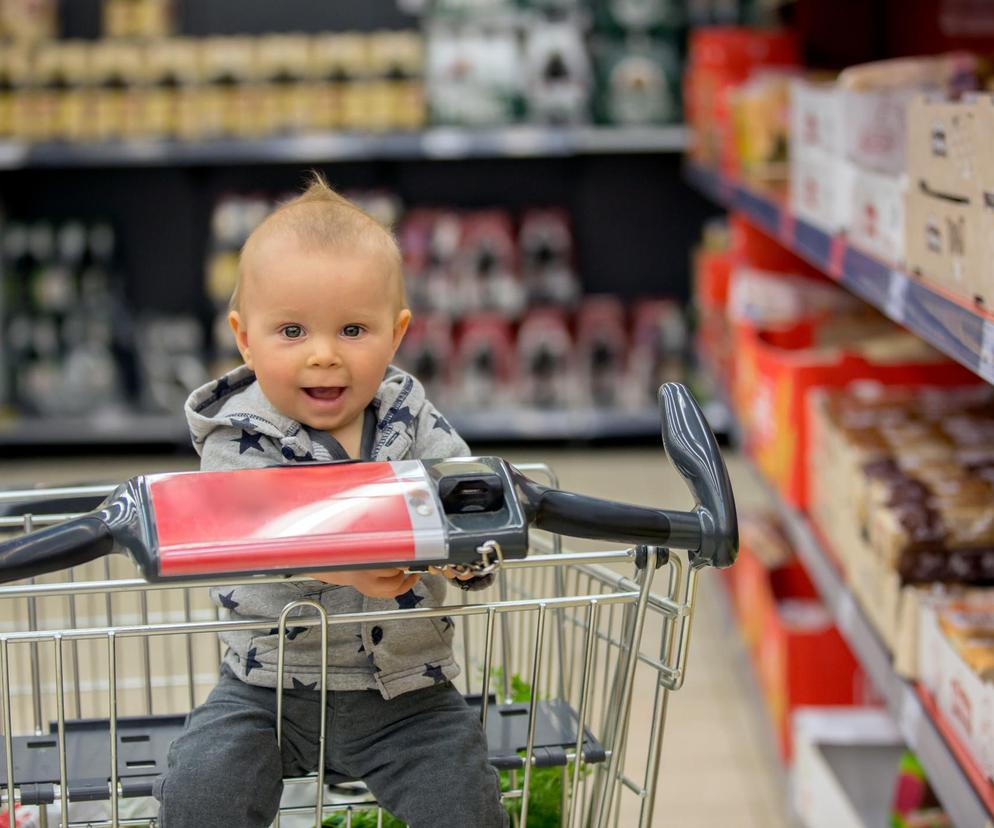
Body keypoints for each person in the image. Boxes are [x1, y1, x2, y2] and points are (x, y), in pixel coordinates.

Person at [153, 174, 508, 827]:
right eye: (291, 331)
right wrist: (341, 565)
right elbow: (240, 527)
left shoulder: (411, 418)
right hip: (263, 692)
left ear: (396, 334)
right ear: (244, 337)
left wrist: (467, 555)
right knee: (201, 792)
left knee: (465, 802)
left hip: (406, 691)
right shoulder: (236, 435)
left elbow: (467, 494)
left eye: (352, 329)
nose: (323, 356)